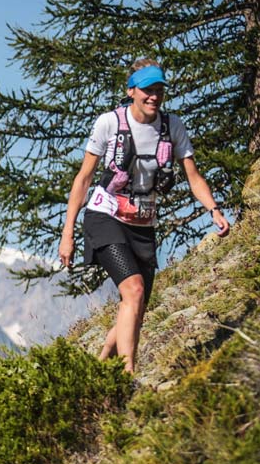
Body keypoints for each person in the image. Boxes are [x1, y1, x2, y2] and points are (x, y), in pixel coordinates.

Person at [59, 59, 230, 373]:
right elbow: (83, 178)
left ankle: (98, 370)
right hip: (105, 215)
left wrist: (214, 210)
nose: (154, 96)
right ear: (132, 91)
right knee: (134, 291)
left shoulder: (172, 126)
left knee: (134, 308)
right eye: (147, 89)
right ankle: (128, 375)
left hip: (143, 225)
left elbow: (193, 176)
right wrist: (67, 232)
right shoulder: (109, 123)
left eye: (159, 90)